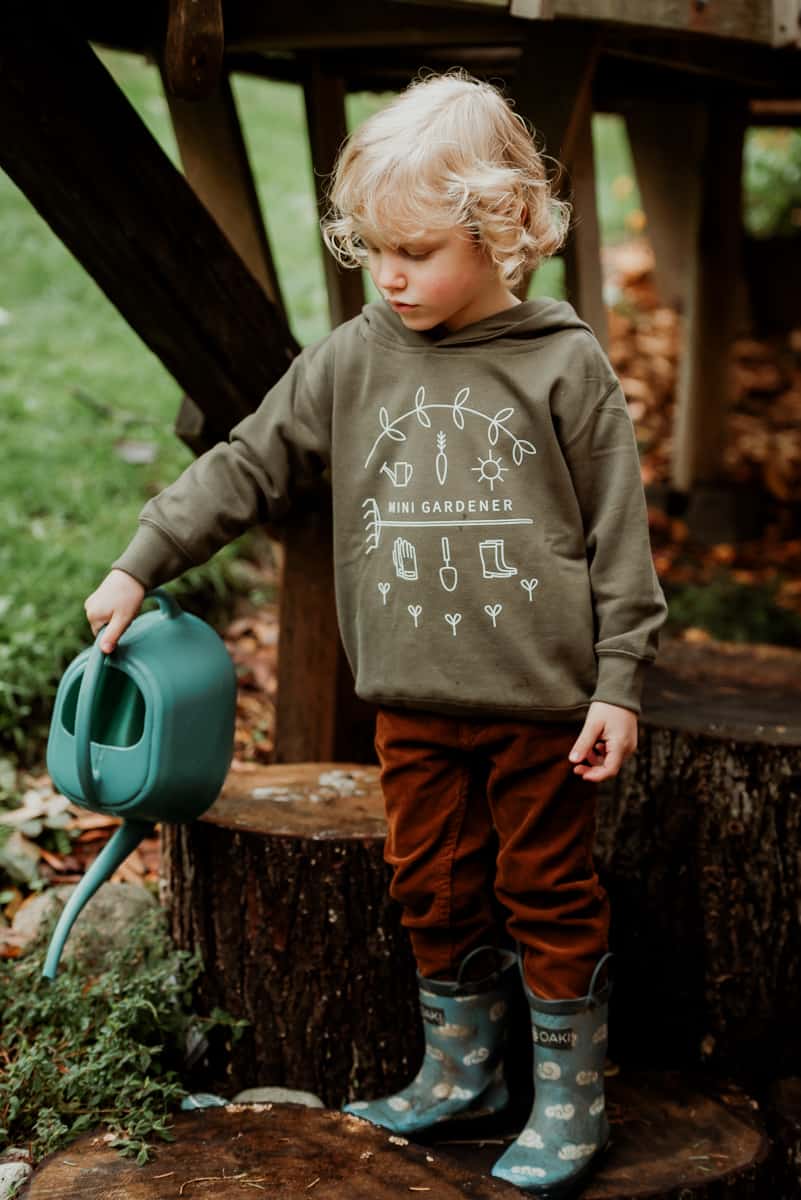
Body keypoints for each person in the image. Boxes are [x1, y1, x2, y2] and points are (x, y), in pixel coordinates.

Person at [84, 72, 667, 1196]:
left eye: (417, 251)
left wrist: (622, 681)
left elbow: (619, 535)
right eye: (372, 251)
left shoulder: (562, 362)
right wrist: (139, 558)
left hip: (543, 702)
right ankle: (465, 1072)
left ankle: (571, 1098)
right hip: (412, 697)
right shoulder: (355, 360)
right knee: (432, 883)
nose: (389, 276)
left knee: (545, 888)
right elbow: (250, 461)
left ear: (500, 230)